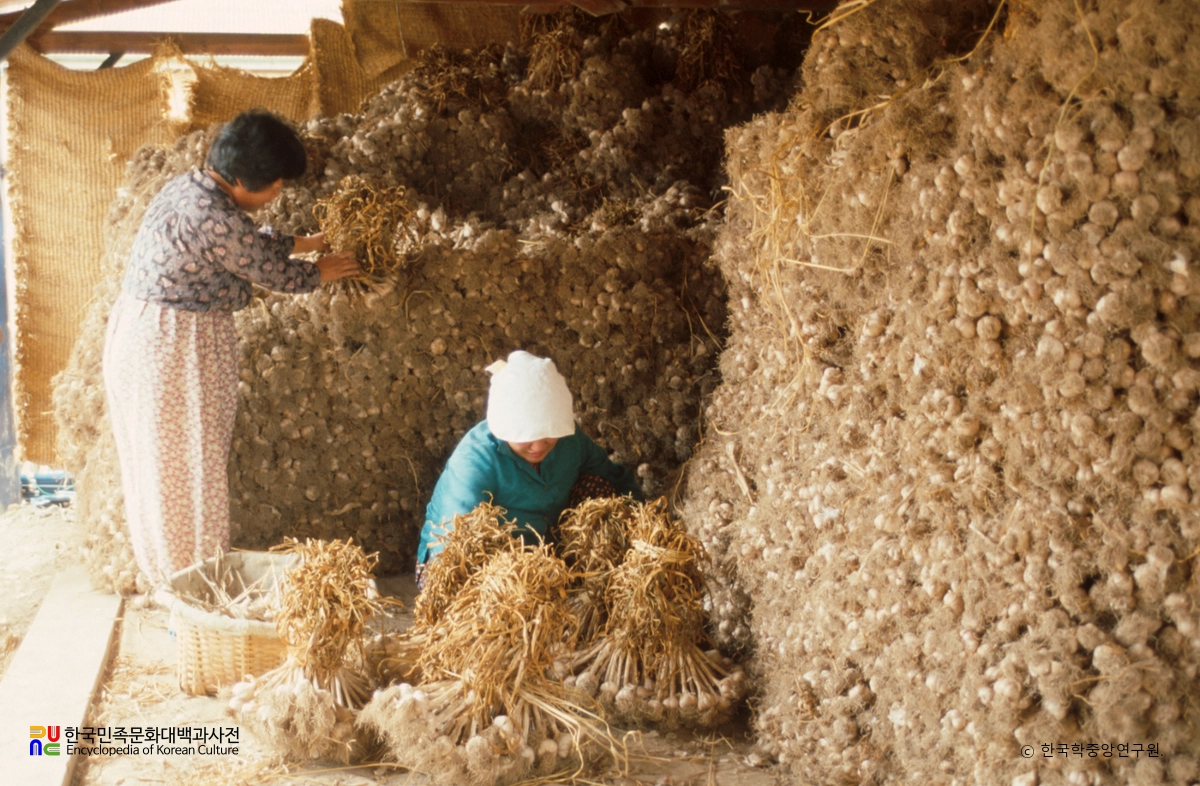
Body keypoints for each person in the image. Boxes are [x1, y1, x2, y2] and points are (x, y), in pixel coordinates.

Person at [103, 109, 360, 587]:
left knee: (163, 466)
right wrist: (323, 268)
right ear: (241, 179)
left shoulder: (193, 188)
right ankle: (191, 587)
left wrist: (308, 242)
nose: (278, 193)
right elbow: (268, 271)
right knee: (186, 469)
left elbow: (248, 242)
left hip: (150, 334)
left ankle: (176, 578)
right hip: (172, 347)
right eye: (274, 186)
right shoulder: (213, 216)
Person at [416, 350, 643, 588]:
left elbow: (614, 478)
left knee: (600, 490)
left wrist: (641, 530)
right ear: (504, 428)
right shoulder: (475, 461)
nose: (538, 446)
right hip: (492, 567)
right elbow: (455, 545)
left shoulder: (569, 440)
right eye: (526, 437)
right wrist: (504, 586)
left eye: (548, 435)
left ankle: (587, 585)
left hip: (548, 554)